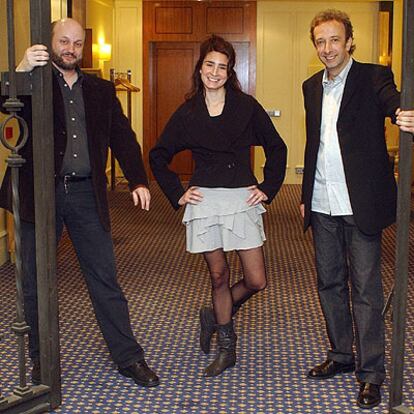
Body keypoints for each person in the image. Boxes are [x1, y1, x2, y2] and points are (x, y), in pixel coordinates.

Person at [0, 18, 159, 387]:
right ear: (50, 43)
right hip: (41, 192)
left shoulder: (102, 90)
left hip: (88, 194)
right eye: (64, 41)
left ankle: (129, 358)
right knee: (36, 282)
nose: (70, 48)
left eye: (77, 43)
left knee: (105, 279)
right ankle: (42, 362)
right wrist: (22, 70)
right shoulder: (33, 82)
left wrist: (137, 178)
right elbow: (5, 102)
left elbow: (123, 136)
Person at [150, 35, 287, 377]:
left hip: (242, 199)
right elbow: (158, 155)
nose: (215, 72)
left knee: (257, 280)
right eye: (209, 64)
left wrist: (268, 188)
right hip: (206, 202)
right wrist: (177, 192)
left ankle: (214, 315)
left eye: (222, 67)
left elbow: (277, 147)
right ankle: (227, 347)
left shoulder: (246, 106)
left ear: (230, 72)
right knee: (219, 276)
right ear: (199, 68)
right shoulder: (188, 112)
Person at [300, 9, 414, 409]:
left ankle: (372, 373)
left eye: (334, 40)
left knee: (365, 290)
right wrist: (303, 195)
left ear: (349, 41)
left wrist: (401, 111)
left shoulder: (372, 76)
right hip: (320, 201)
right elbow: (314, 142)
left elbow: (392, 100)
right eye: (320, 41)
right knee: (329, 283)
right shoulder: (311, 86)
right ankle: (341, 355)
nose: (327, 48)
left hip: (359, 201)